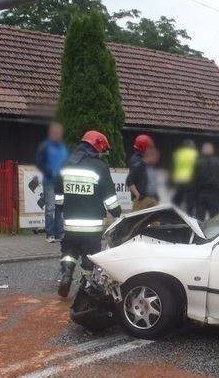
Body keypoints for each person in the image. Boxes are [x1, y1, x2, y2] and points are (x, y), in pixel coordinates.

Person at [56, 130, 122, 298]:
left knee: (69, 251)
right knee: (89, 256)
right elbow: (110, 199)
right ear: (97, 147)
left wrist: (63, 209)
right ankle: (84, 287)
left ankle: (66, 275)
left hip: (70, 223)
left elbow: (58, 197)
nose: (101, 154)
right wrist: (117, 214)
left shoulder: (65, 164)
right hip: (92, 226)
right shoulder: (99, 167)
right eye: (101, 151)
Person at [35, 122, 69, 242]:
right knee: (50, 208)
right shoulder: (45, 146)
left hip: (60, 182)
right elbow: (39, 162)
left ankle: (59, 233)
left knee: (59, 207)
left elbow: (66, 163)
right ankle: (50, 234)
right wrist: (48, 172)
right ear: (51, 133)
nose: (57, 134)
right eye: (55, 132)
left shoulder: (63, 148)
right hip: (49, 181)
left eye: (59, 132)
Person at [192, 142, 219, 220]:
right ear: (212, 150)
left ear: (202, 150)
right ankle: (214, 232)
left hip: (200, 195)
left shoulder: (197, 163)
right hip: (214, 195)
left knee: (199, 219)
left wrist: (192, 196)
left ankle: (199, 232)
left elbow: (193, 181)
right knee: (214, 219)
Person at [127, 134, 158, 211]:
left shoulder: (144, 159)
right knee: (136, 221)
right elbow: (129, 181)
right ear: (143, 147)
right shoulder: (136, 161)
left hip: (151, 197)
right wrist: (138, 195)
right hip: (142, 199)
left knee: (156, 221)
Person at [171, 139, 198, 211]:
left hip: (179, 180)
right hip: (190, 180)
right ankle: (189, 216)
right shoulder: (195, 154)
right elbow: (198, 167)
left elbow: (173, 166)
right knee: (190, 201)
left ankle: (173, 213)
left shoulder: (178, 153)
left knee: (177, 200)